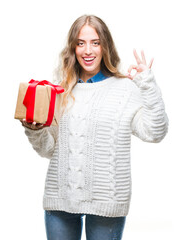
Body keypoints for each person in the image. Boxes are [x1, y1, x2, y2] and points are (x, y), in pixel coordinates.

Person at [21, 15, 168, 240]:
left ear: (105, 46)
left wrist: (147, 83)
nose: (87, 50)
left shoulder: (125, 89)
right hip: (60, 199)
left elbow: (154, 132)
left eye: (95, 42)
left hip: (106, 203)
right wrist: (34, 129)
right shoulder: (60, 90)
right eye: (80, 43)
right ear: (73, 48)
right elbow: (48, 150)